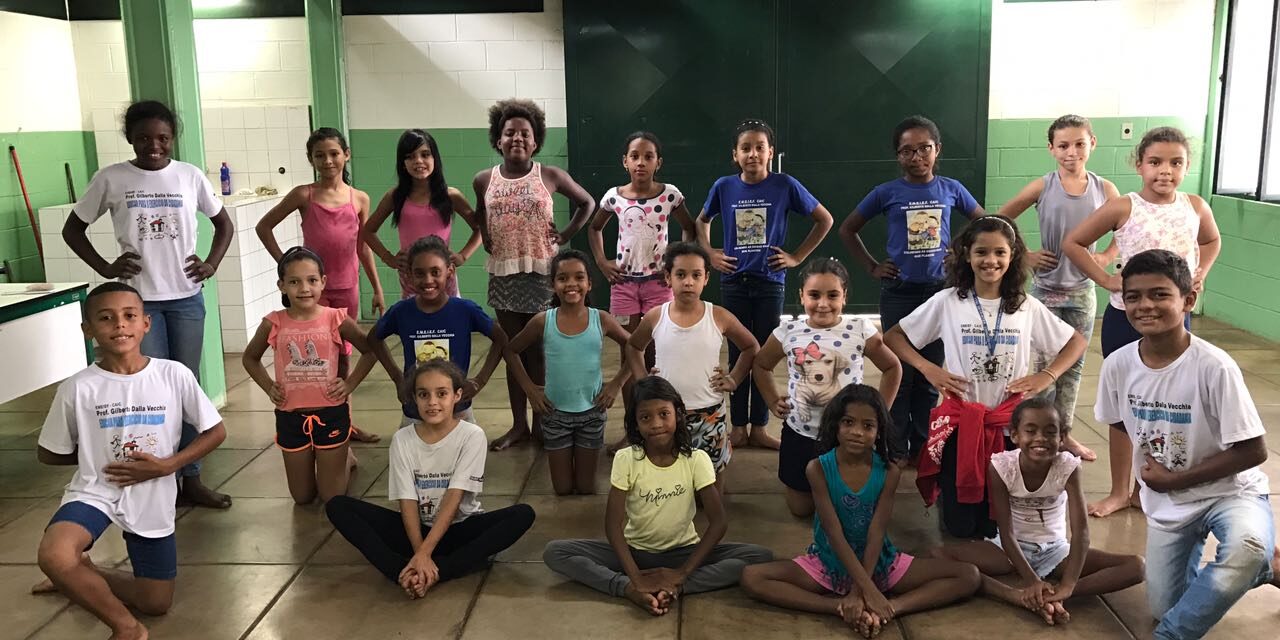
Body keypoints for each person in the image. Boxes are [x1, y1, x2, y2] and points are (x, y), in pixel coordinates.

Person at [61, 100, 235, 509]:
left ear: (172, 138)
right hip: (139, 304)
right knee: (149, 390)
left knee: (186, 387)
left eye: (162, 138)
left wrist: (210, 263)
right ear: (130, 139)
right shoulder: (112, 178)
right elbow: (74, 229)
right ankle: (158, 476)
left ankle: (189, 478)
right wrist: (105, 266)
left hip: (186, 300)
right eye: (143, 138)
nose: (153, 146)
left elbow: (224, 223)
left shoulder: (189, 176)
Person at [1094, 249, 1275, 639]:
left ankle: (1171, 636)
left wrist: (1174, 480)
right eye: (1134, 296)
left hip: (1229, 493)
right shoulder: (1118, 364)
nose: (1145, 305)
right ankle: (1268, 565)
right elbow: (1119, 426)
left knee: (1245, 546)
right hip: (1170, 506)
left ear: (1188, 300)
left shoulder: (1214, 366)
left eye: (1160, 294)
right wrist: (1126, 489)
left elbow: (1254, 451)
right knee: (1163, 606)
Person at [32, 282, 228, 640]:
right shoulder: (78, 387)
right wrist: (96, 452)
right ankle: (126, 627)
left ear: (146, 324)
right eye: (105, 318)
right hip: (96, 490)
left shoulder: (173, 375)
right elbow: (49, 451)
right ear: (88, 330)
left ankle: (83, 574)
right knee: (55, 555)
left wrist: (169, 466)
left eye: (129, 316)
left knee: (155, 602)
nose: (119, 325)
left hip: (153, 492)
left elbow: (215, 432)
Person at [882, 215, 1087, 539]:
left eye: (999, 253)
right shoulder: (948, 302)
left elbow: (1076, 341)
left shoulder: (1025, 306)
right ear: (967, 254)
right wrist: (928, 368)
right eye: (982, 252)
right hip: (961, 424)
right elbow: (894, 337)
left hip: (1008, 427)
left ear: (1012, 256)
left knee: (998, 523)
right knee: (960, 528)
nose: (990, 261)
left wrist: (1047, 374)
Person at [1062, 127, 1223, 518]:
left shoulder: (1196, 205)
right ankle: (1121, 489)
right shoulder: (1125, 207)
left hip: (1175, 321)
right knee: (1125, 405)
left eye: (1175, 163)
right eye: (1155, 162)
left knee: (1168, 403)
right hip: (1126, 318)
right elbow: (1074, 242)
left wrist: (1200, 271)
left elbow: (1211, 240)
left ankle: (1158, 482)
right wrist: (1106, 280)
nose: (1164, 171)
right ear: (1139, 165)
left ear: (1187, 167)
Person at [740, 384, 980, 638]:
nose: (857, 432)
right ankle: (837, 607)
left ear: (879, 432)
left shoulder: (889, 472)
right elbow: (833, 532)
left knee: (968, 575)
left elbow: (877, 531)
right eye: (848, 422)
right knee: (751, 577)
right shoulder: (818, 468)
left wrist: (868, 593)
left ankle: (892, 608)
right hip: (828, 564)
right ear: (836, 425)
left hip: (881, 564)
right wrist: (861, 592)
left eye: (868, 426)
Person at [543, 376, 773, 615]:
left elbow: (719, 523)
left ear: (678, 415)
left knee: (759, 555)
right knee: (556, 551)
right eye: (645, 417)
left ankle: (676, 586)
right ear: (635, 423)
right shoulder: (627, 459)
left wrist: (682, 573)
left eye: (664, 414)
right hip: (635, 552)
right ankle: (627, 588)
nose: (656, 424)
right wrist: (635, 579)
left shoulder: (696, 459)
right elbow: (613, 526)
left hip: (684, 553)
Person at [839, 115, 985, 464]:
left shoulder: (951, 189)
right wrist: (873, 266)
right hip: (899, 292)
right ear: (897, 156)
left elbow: (984, 222)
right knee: (900, 373)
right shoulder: (887, 193)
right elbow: (848, 229)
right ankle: (896, 444)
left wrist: (961, 252)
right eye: (907, 151)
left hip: (939, 293)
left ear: (938, 150)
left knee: (929, 374)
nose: (917, 157)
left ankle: (923, 445)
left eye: (924, 149)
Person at [325, 360, 535, 599]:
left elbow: (454, 496)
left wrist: (425, 554)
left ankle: (438, 571)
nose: (432, 402)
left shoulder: (471, 436)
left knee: (522, 514)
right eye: (424, 394)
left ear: (457, 396)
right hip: (415, 530)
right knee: (338, 506)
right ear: (414, 398)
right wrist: (420, 552)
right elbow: (407, 501)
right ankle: (403, 572)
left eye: (441, 394)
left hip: (460, 529)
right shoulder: (403, 439)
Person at [931, 396, 1144, 625]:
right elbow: (1006, 532)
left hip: (1056, 550)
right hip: (1009, 549)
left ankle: (1054, 597)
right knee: (940, 555)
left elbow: (1081, 531)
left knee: (1137, 566)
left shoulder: (1068, 467)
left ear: (1062, 438)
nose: (1040, 438)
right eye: (1030, 431)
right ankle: (1013, 595)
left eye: (1050, 432)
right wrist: (1032, 580)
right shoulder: (1002, 467)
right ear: (1015, 435)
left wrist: (1069, 585)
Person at [697, 118, 834, 451]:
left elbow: (824, 219)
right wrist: (710, 254)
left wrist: (796, 257)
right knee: (739, 353)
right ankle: (738, 428)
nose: (753, 154)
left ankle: (759, 426)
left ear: (770, 152)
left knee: (764, 353)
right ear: (735, 154)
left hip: (770, 281)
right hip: (733, 282)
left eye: (760, 147)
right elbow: (702, 221)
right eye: (746, 148)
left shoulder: (785, 185)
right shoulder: (724, 186)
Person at [474, 99, 596, 451]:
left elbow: (587, 202)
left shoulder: (550, 175)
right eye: (509, 132)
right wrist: (485, 236)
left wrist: (566, 234)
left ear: (535, 141)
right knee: (512, 351)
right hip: (505, 274)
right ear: (498, 139)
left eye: (524, 133)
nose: (516, 138)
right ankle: (518, 426)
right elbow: (481, 215)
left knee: (540, 353)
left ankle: (543, 424)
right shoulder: (484, 179)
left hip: (542, 275)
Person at [998, 115, 1121, 462]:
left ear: (1092, 144)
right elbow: (999, 220)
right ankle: (1033, 433)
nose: (1072, 152)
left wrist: (1107, 256)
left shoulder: (1105, 189)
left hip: (1083, 292)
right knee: (1040, 369)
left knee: (1073, 367)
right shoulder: (1043, 186)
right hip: (1044, 292)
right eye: (1063, 145)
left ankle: (1062, 435)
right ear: (1051, 149)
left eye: (1079, 144)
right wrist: (1025, 256)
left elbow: (1125, 231)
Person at [256, 127, 384, 444]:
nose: (328, 161)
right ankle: (309, 421)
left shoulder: (359, 198)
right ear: (311, 159)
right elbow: (264, 226)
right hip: (312, 293)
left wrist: (377, 288)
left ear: (346, 155)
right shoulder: (304, 194)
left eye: (333, 153)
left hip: (346, 288)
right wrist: (286, 266)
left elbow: (363, 247)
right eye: (319, 155)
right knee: (312, 361)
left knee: (342, 361)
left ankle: (345, 423)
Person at [753, 257, 902, 517]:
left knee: (847, 505)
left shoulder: (860, 329)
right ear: (801, 296)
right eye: (814, 295)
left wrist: (880, 413)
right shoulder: (788, 331)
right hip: (801, 431)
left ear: (844, 296)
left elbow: (892, 367)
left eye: (832, 295)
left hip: (845, 436)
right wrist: (771, 399)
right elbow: (761, 365)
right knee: (801, 510)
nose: (823, 304)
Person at [241, 247, 380, 504]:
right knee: (303, 498)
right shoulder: (274, 323)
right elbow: (250, 358)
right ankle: (330, 465)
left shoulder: (336, 319)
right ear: (281, 285)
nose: (304, 288)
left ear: (323, 282)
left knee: (332, 498)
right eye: (294, 282)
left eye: (312, 280)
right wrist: (269, 386)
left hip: (331, 413)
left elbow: (371, 351)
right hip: (290, 417)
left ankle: (345, 459)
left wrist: (349, 384)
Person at [623, 242, 759, 487]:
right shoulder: (656, 316)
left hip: (710, 412)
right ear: (668, 277)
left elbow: (751, 347)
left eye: (696, 275)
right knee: (671, 479)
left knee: (712, 483)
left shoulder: (718, 316)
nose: (688, 282)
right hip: (667, 415)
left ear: (706, 278)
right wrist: (643, 378)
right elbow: (633, 347)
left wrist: (734, 378)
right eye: (680, 275)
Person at [588, 131, 696, 434]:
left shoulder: (669, 195)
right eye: (635, 156)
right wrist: (601, 261)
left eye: (648, 157)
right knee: (628, 351)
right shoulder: (614, 197)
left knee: (655, 352)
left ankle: (663, 422)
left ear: (657, 162)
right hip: (623, 284)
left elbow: (688, 228)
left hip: (657, 285)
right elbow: (594, 228)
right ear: (625, 161)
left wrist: (676, 264)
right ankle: (633, 430)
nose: (641, 162)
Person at [505, 250, 633, 495]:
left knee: (586, 488)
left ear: (589, 283)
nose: (571, 284)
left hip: (592, 413)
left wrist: (616, 383)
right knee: (562, 490)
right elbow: (511, 351)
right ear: (553, 284)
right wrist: (530, 389)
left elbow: (634, 346)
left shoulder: (602, 319)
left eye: (579, 277)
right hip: (554, 415)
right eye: (563, 278)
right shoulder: (544, 321)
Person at [367, 236, 508, 426]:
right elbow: (374, 339)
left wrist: (480, 380)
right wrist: (397, 378)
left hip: (458, 410)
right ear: (409, 274)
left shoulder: (465, 310)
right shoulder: (401, 311)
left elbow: (500, 338)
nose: (428, 280)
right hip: (415, 410)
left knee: (464, 453)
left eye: (435, 272)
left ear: (449, 271)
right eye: (419, 273)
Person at [361, 128, 482, 300]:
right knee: (414, 320)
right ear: (402, 163)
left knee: (450, 318)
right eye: (410, 156)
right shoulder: (395, 196)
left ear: (435, 158)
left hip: (442, 273)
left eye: (425, 154)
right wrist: (388, 258)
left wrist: (463, 255)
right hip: (411, 274)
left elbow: (480, 228)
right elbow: (368, 231)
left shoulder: (450, 195)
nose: (418, 161)